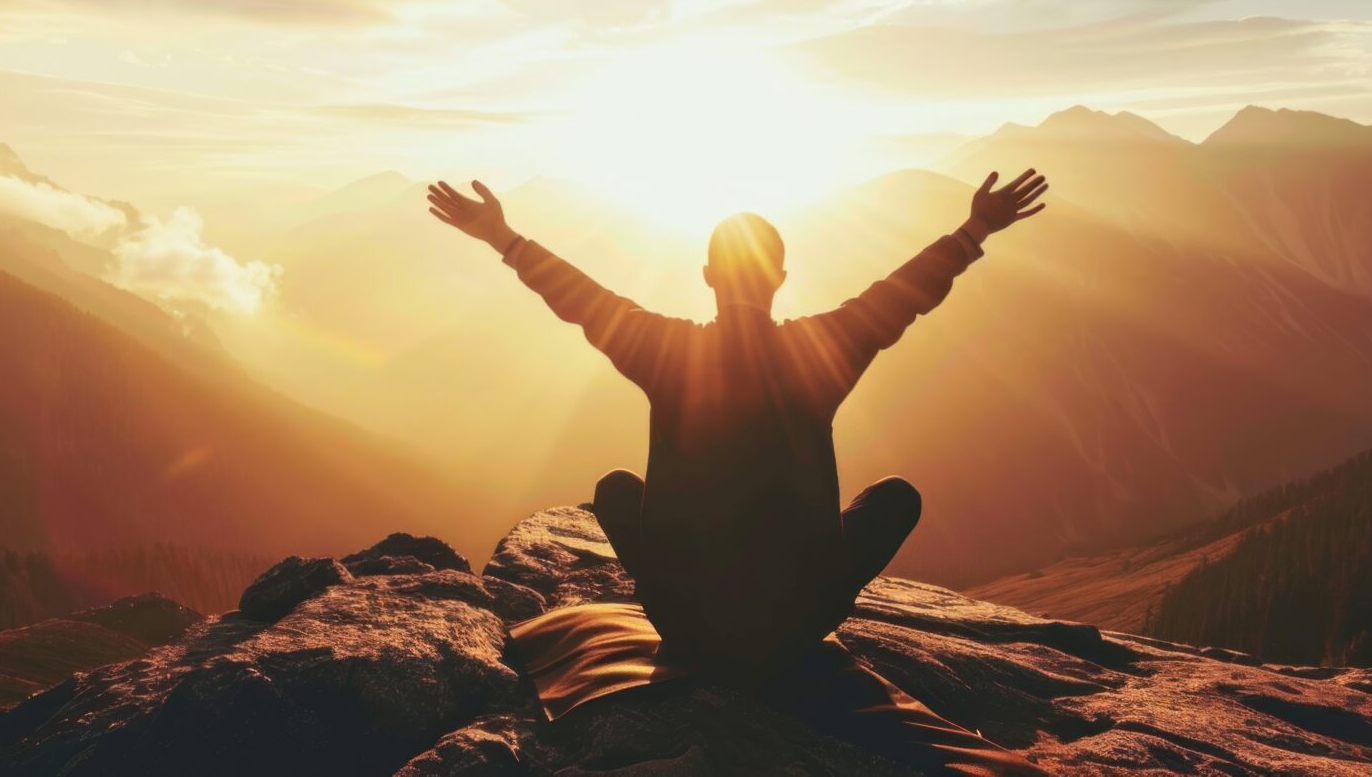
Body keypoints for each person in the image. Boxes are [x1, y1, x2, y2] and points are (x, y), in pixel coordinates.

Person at [428, 170, 1047, 675]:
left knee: (616, 490)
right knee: (895, 499)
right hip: (794, 626)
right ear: (780, 279)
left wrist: (503, 239)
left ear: (707, 278)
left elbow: (582, 298)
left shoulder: (664, 349)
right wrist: (974, 230)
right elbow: (902, 293)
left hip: (686, 623)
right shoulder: (823, 349)